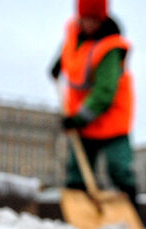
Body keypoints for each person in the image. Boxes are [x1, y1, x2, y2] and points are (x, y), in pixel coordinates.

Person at [51, 0, 138, 208]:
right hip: (83, 117)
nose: (89, 24)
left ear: (102, 19)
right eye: (85, 19)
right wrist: (57, 64)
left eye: (94, 20)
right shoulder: (73, 33)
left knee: (119, 168)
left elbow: (104, 92)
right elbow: (69, 51)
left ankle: (130, 208)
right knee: (77, 172)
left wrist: (79, 119)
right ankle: (80, 212)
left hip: (111, 118)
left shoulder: (110, 48)